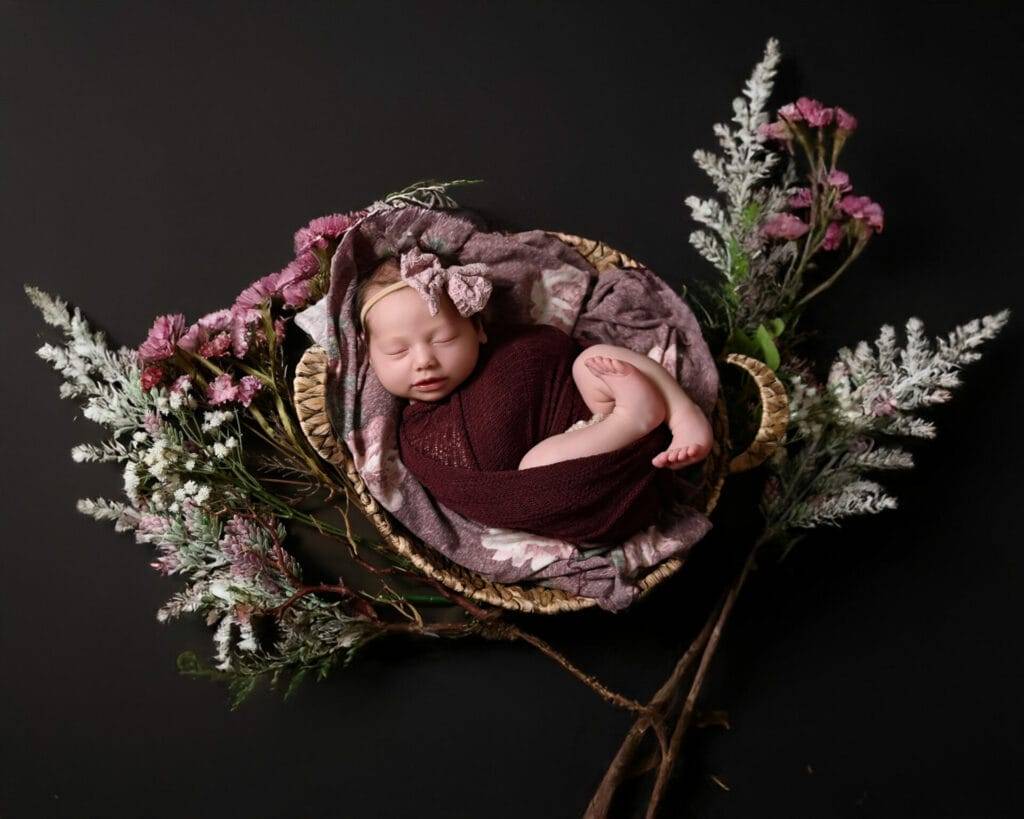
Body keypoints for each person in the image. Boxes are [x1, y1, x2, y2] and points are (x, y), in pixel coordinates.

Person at [355, 251, 713, 472]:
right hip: (584, 462)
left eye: (445, 339)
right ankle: (632, 420)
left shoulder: (513, 349)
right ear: (369, 354)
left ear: (479, 329)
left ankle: (683, 412)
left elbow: (554, 356)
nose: (424, 362)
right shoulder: (417, 434)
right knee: (534, 466)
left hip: (593, 407)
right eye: (397, 351)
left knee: (593, 359)